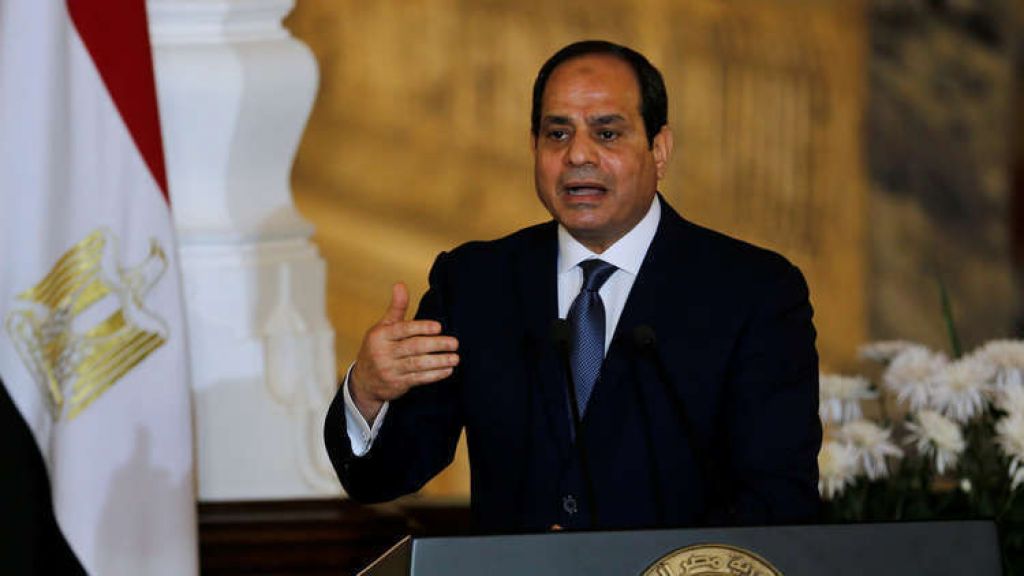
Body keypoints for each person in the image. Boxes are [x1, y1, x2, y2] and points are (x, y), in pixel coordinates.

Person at [324, 40, 821, 532]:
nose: (578, 154)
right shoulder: (476, 284)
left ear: (659, 149)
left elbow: (778, 501)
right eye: (557, 134)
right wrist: (367, 391)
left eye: (607, 134)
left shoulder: (753, 293)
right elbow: (386, 476)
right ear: (534, 147)